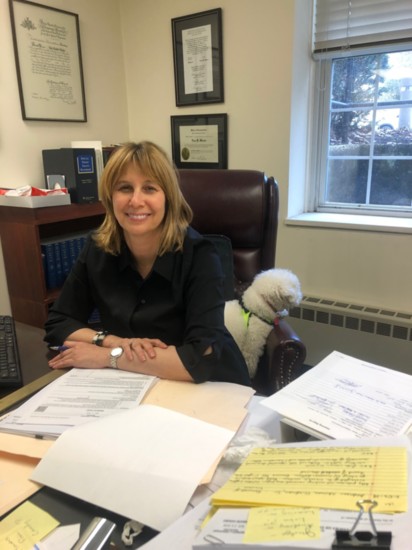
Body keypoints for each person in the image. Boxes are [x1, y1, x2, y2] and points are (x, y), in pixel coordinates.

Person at [44, 141, 251, 386]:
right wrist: (113, 342)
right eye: (125, 188)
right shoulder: (97, 249)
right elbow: (58, 323)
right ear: (111, 197)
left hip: (208, 387)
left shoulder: (200, 256)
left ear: (168, 198)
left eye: (150, 188)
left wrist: (108, 356)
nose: (136, 200)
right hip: (135, 382)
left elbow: (198, 360)